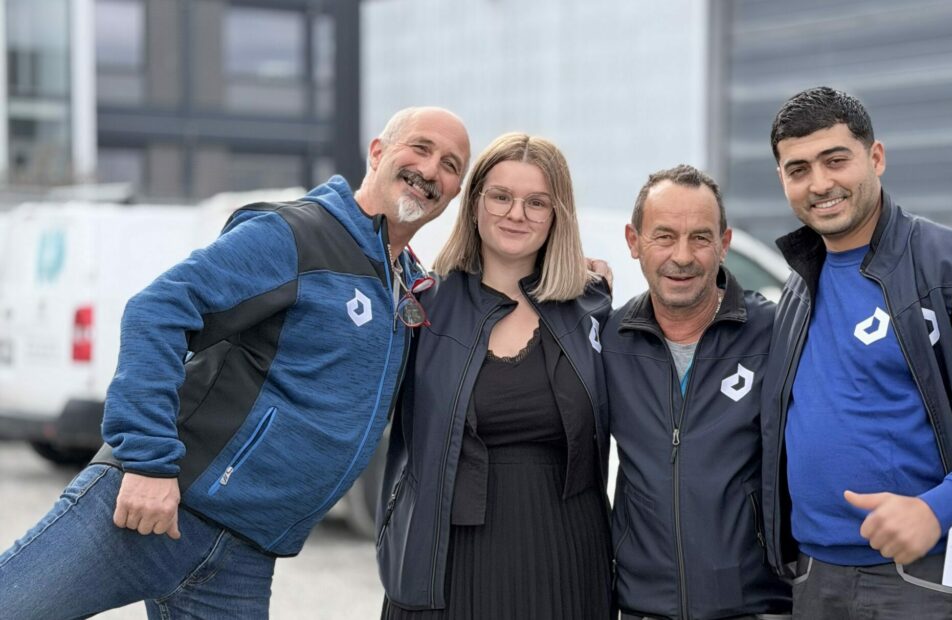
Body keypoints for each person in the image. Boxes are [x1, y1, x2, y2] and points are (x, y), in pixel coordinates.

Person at [0, 106, 470, 618]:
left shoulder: (407, 285)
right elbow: (157, 310)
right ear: (377, 152)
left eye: (450, 164)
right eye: (420, 148)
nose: (431, 170)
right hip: (155, 504)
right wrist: (148, 463)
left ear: (454, 192)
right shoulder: (297, 234)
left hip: (243, 556)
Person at [761, 86, 952, 618]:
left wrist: (936, 508)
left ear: (875, 157)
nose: (821, 183)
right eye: (799, 169)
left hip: (926, 578)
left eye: (836, 160)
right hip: (813, 578)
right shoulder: (797, 286)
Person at [377, 132, 613, 619]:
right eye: (501, 197)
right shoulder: (423, 306)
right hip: (448, 555)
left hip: (566, 552)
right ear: (475, 203)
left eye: (536, 202)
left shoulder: (592, 308)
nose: (516, 214)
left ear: (558, 215)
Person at [602, 164, 791, 620]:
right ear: (634, 242)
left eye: (700, 238)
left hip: (756, 606)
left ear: (723, 244)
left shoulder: (776, 333)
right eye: (664, 236)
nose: (682, 256)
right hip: (642, 607)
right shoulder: (608, 339)